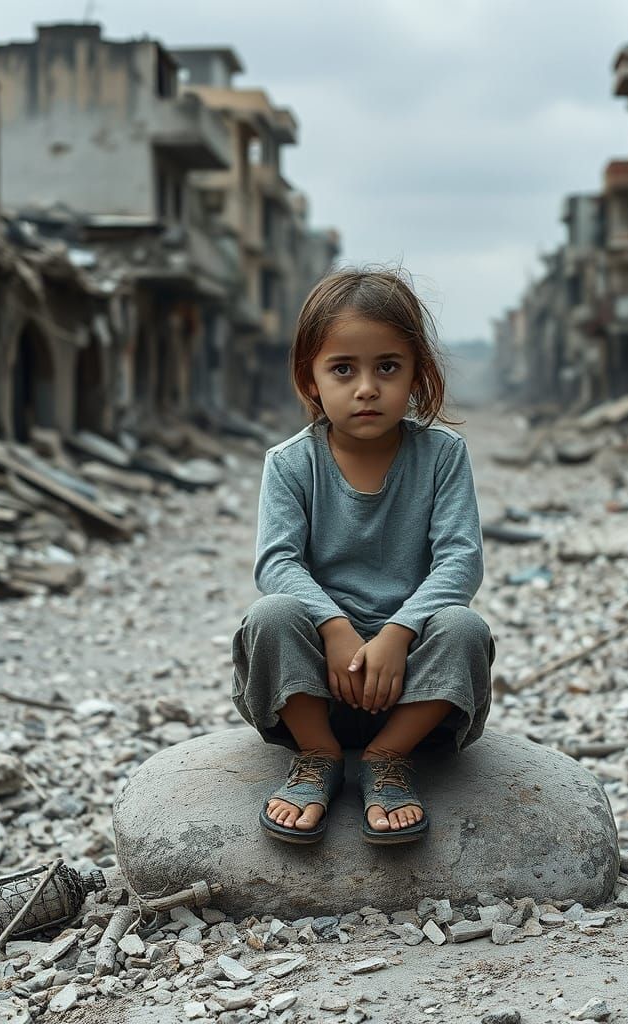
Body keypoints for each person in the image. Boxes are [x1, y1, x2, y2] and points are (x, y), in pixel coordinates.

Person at [232, 267, 495, 846]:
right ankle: (319, 756)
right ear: (310, 379)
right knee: (270, 615)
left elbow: (459, 561)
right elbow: (277, 563)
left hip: (412, 686)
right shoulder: (290, 463)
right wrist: (333, 627)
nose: (367, 387)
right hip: (313, 685)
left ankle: (387, 757)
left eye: (388, 367)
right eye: (343, 369)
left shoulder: (442, 456)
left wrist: (399, 632)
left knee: (464, 627)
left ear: (418, 374)